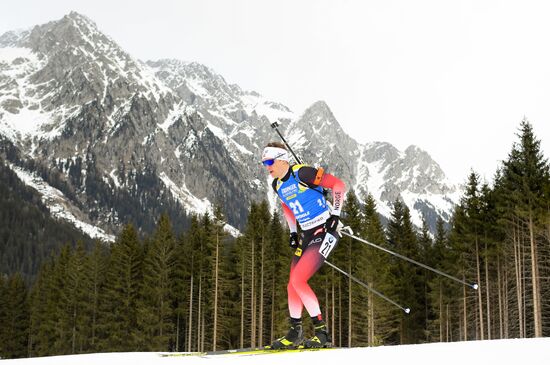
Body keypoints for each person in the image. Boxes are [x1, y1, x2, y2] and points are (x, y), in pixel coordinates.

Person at [261, 142, 346, 349]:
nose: (267, 166)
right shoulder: (277, 185)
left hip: (325, 231)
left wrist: (335, 215)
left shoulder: (304, 173)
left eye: (270, 161)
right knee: (292, 284)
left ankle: (322, 332)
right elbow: (287, 207)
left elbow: (338, 185)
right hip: (307, 234)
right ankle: (295, 332)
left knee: (299, 280)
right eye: (264, 163)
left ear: (282, 159)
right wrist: (292, 232)